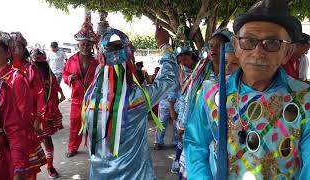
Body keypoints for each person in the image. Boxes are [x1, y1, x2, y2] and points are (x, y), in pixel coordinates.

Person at [184, 0, 310, 179]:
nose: (258, 52)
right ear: (236, 47)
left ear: (287, 53)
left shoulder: (305, 99)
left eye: (272, 43)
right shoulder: (211, 93)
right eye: (249, 41)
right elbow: (196, 145)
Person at [82, 26, 178, 179]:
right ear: (129, 62)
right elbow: (169, 78)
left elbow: (102, 68)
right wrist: (165, 46)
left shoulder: (91, 97)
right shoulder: (137, 99)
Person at [177, 29, 233, 179]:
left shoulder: (234, 73)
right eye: (211, 45)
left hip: (221, 132)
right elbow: (188, 97)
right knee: (192, 166)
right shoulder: (200, 70)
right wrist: (182, 124)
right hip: (197, 126)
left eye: (219, 45)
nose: (213, 49)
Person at [0, 31, 46, 180]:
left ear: (7, 53)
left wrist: (39, 117)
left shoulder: (17, 78)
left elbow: (21, 116)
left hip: (15, 140)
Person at [63, 22, 99, 158]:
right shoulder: (71, 60)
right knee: (74, 125)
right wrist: (70, 77)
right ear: (78, 43)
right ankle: (72, 147)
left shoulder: (97, 61)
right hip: (77, 100)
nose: (85, 46)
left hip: (94, 100)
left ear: (92, 45)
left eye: (88, 44)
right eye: (83, 43)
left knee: (93, 125)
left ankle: (94, 149)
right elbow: (65, 75)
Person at [30, 48, 64, 178]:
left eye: (40, 64)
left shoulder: (49, 75)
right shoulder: (28, 73)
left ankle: (50, 166)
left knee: (47, 140)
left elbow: (55, 87)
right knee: (30, 144)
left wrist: (60, 94)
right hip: (30, 115)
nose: (37, 66)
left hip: (45, 115)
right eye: (35, 64)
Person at [170, 43, 199, 174]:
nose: (183, 63)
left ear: (191, 56)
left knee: (193, 139)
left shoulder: (202, 69)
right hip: (182, 111)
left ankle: (189, 166)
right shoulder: (180, 71)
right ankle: (178, 161)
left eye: (185, 60)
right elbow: (174, 90)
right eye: (180, 61)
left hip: (196, 110)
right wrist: (172, 110)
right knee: (181, 138)